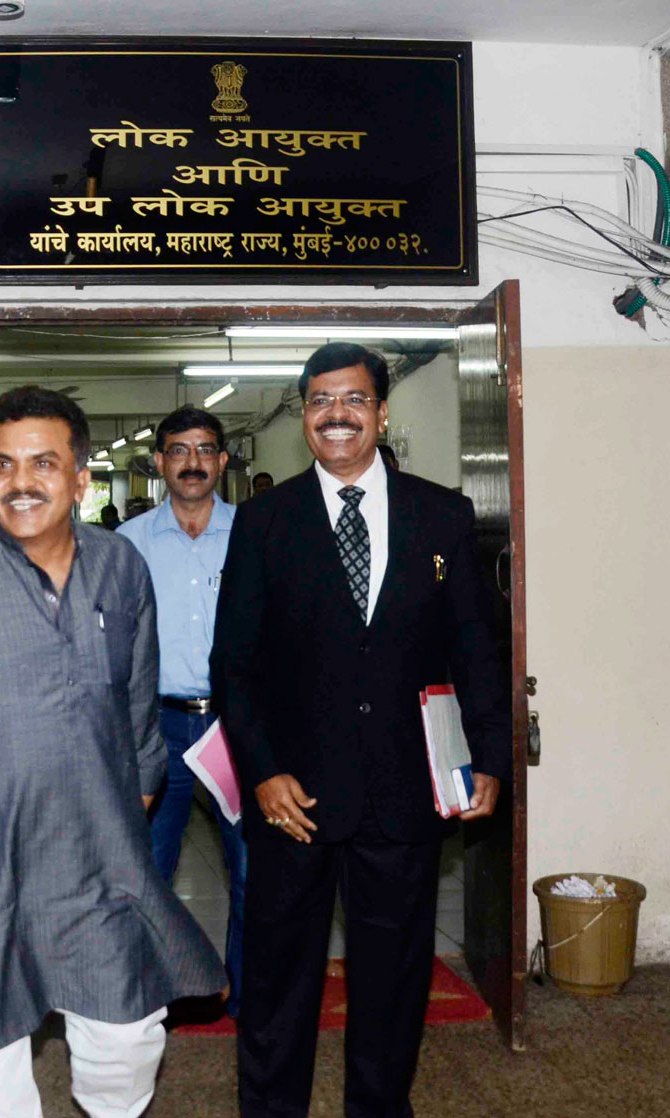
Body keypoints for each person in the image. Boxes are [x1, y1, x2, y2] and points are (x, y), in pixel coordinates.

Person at [0, 385, 226, 1118]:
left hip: (96, 862)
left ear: (82, 478)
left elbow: (138, 714)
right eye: (2, 465)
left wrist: (125, 806)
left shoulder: (121, 568)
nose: (20, 483)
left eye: (43, 464)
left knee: (127, 1035)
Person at [210, 342, 510, 1118]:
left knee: (393, 977)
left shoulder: (443, 514)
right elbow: (233, 665)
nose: (335, 414)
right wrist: (263, 772)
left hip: (403, 792)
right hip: (294, 800)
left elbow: (477, 649)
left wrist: (489, 758)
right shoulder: (264, 522)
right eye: (318, 401)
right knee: (279, 980)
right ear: (305, 416)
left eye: (352, 400)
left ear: (381, 411)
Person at [117, 405, 247, 1018]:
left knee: (251, 870)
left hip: (235, 727)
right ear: (160, 462)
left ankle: (246, 1000)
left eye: (204, 450)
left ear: (222, 461)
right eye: (178, 450)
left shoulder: (256, 534)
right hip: (155, 728)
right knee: (147, 873)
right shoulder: (128, 544)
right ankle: (150, 1000)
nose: (192, 462)